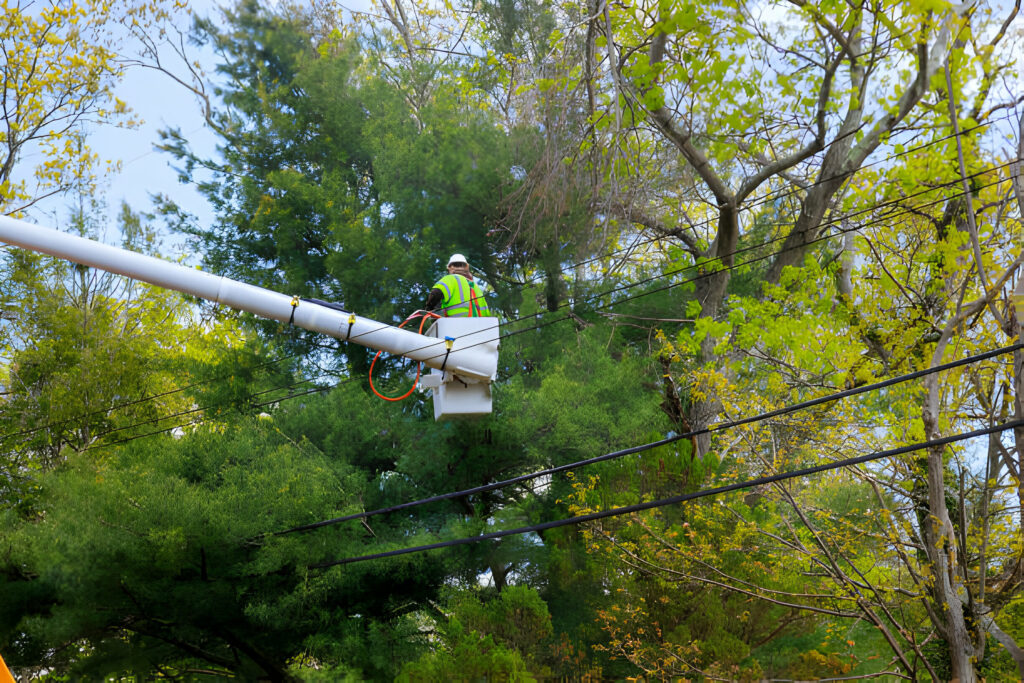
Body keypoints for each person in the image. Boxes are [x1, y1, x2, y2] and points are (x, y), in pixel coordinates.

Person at [424, 253, 492, 317]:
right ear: (466, 267)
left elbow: (435, 294)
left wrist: (430, 312)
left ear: (450, 267)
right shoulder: (477, 289)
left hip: (455, 327)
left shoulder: (451, 279)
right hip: (479, 329)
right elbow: (487, 315)